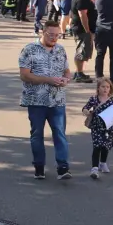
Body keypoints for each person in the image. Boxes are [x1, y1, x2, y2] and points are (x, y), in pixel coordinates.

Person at [19, 19, 73, 179]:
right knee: (37, 134)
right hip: (36, 100)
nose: (54, 38)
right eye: (51, 35)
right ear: (43, 32)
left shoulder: (61, 50)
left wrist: (66, 79)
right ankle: (39, 167)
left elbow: (67, 71)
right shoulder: (29, 50)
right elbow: (24, 74)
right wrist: (48, 80)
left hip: (57, 100)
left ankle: (63, 168)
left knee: (60, 133)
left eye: (57, 35)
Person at [82, 77, 113, 179]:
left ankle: (103, 163)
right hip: (96, 127)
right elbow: (85, 108)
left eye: (107, 87)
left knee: (105, 146)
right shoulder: (94, 99)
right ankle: (94, 168)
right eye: (103, 86)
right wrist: (86, 112)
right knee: (97, 146)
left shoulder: (112, 100)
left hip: (108, 127)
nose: (105, 89)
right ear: (98, 88)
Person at [70, 0, 96, 83]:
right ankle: (79, 74)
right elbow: (82, 15)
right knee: (81, 50)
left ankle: (79, 72)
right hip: (82, 29)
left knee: (83, 50)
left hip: (80, 28)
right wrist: (87, 30)